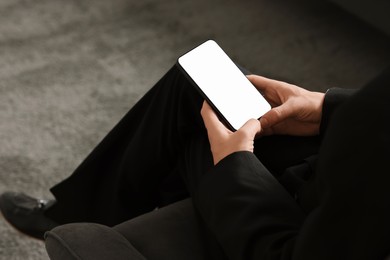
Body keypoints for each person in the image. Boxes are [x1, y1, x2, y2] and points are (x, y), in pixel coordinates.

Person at [1, 58, 389, 259]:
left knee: (197, 124)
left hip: (305, 224)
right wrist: (328, 106)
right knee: (199, 84)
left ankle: (90, 221)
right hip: (340, 169)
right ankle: (78, 211)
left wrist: (235, 165)